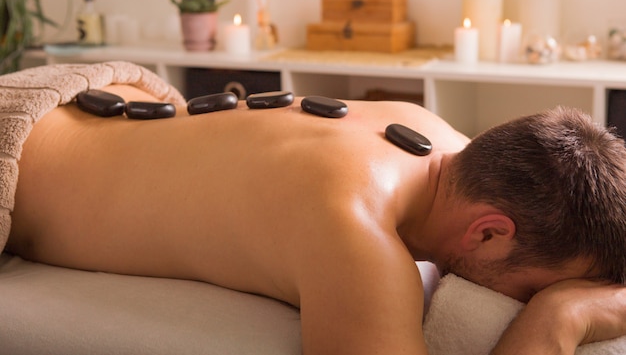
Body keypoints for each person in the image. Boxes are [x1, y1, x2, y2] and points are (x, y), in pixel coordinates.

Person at [6, 83, 626, 355]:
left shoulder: (439, 138)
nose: (533, 299)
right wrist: (558, 319)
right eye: (535, 286)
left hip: (73, 100)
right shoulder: (357, 235)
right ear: (488, 232)